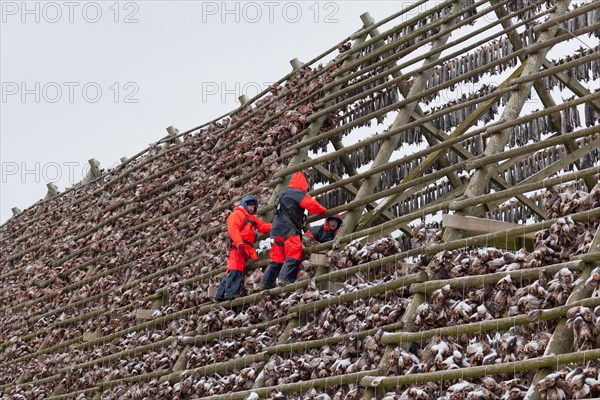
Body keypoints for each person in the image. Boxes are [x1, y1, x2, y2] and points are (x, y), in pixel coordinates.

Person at [262, 171, 327, 289]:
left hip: (277, 231)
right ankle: (284, 280)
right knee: (294, 254)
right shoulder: (297, 193)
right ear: (303, 183)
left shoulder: (282, 194)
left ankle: (265, 284)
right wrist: (323, 210)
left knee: (276, 259)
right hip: (289, 231)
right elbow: (313, 205)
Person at [214, 194, 271, 302]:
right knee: (235, 269)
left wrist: (275, 225)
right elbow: (233, 230)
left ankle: (219, 295)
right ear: (245, 204)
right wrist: (239, 243)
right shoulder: (237, 214)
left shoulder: (253, 219)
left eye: (254, 206)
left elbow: (263, 227)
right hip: (237, 247)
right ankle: (230, 294)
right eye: (250, 205)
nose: (252, 208)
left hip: (245, 248)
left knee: (232, 269)